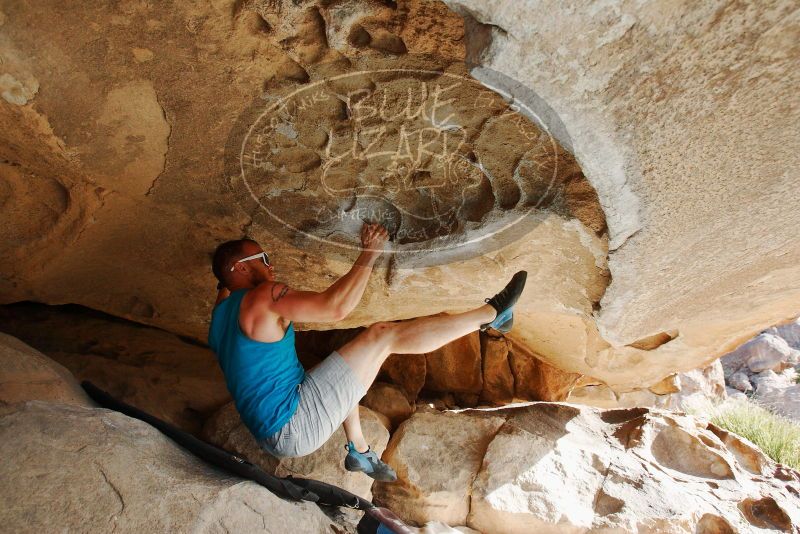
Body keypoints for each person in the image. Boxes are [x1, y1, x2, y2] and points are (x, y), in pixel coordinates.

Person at [208, 222, 526, 482]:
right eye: (262, 258)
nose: (271, 263)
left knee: (345, 366)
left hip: (275, 429)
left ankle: (359, 450)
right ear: (238, 267)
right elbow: (336, 308)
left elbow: (223, 284)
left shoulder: (220, 313)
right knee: (381, 337)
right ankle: (492, 314)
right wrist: (369, 254)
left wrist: (225, 276)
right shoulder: (262, 297)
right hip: (295, 424)